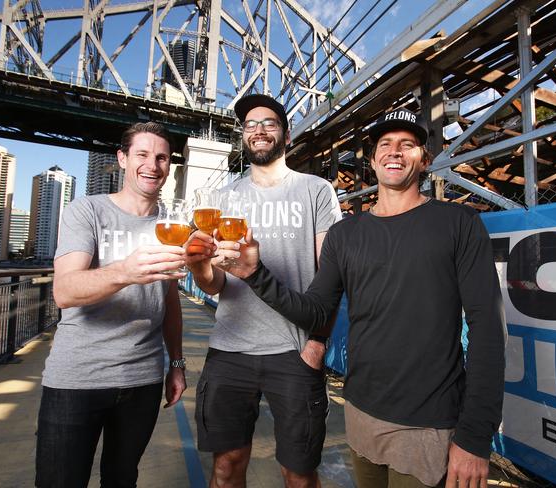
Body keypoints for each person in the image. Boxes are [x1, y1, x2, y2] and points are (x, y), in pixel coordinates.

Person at [216, 108, 506, 488]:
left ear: (424, 158)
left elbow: (488, 330)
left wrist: (474, 437)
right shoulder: (345, 234)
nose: (395, 151)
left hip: (429, 423)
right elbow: (317, 311)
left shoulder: (458, 224)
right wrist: (256, 275)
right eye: (385, 144)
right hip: (361, 414)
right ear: (372, 161)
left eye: (407, 144)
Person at [186, 94, 342, 488]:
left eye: (268, 123)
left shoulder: (316, 191)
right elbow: (216, 284)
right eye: (250, 124)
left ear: (285, 134)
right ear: (243, 136)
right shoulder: (223, 199)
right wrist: (198, 267)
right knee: (226, 466)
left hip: (294, 350)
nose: (258, 130)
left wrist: (318, 343)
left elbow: (332, 276)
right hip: (231, 348)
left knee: (299, 473)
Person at [36, 122, 188, 487]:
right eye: (142, 154)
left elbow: (168, 298)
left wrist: (178, 363)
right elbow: (65, 291)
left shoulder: (171, 226)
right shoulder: (86, 211)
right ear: (122, 159)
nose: (152, 165)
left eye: (162, 157)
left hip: (143, 380)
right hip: (77, 379)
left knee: (122, 480)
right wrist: (125, 271)